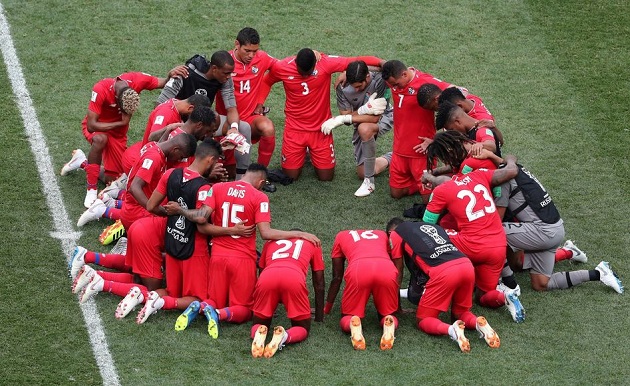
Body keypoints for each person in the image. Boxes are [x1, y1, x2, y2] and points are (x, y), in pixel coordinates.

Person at [167, 163, 320, 338]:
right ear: (261, 181)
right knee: (247, 309)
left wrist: (181, 210)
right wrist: (299, 233)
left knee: (214, 301)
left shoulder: (217, 188)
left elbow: (202, 224)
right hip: (242, 260)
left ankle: (201, 307)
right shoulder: (259, 197)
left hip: (217, 257)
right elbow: (266, 233)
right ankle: (218, 315)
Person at [473, 150, 624, 295]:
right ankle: (598, 273)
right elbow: (509, 158)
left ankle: (506, 284)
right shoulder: (514, 168)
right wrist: (492, 155)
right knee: (541, 284)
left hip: (542, 231)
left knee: (491, 233)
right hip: (555, 229)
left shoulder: (503, 181)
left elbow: (496, 220)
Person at [60, 66, 188, 208]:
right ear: (116, 99)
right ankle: (91, 188)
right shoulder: (101, 88)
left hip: (118, 135)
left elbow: (161, 82)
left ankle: (82, 162)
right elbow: (91, 125)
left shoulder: (137, 79)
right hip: (98, 128)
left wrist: (169, 76)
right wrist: (122, 122)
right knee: (100, 140)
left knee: (114, 179)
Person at [421, 154, 526, 323]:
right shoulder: (480, 175)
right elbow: (511, 170)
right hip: (498, 246)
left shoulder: (443, 190)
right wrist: (511, 158)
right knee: (483, 296)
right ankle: (504, 296)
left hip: (471, 245)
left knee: (431, 237)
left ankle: (423, 286)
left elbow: (427, 224)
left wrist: (430, 181)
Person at [257, 48, 385, 181]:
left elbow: (353, 60)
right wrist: (260, 102)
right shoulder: (282, 67)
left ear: (315, 64)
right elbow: (267, 81)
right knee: (291, 176)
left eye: (309, 73)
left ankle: (308, 152)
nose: (306, 76)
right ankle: (304, 153)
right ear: (296, 63)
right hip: (294, 129)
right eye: (302, 73)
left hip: (321, 129)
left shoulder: (324, 63)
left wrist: (382, 62)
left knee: (326, 177)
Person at [387, 219, 501, 353]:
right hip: (465, 265)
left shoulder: (396, 234)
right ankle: (478, 323)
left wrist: (396, 308)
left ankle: (452, 330)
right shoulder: (431, 226)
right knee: (461, 313)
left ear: (390, 232)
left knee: (423, 320)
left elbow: (398, 272)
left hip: (443, 271)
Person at [157, 51, 252, 180]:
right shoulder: (184, 73)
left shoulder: (224, 78)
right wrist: (177, 124)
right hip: (182, 125)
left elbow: (231, 109)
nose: (229, 77)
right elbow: (160, 105)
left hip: (203, 124)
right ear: (214, 69)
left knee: (244, 128)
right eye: (226, 73)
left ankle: (241, 181)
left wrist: (234, 128)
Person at [380, 60, 454, 201]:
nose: (394, 87)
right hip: (399, 151)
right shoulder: (393, 78)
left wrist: (436, 139)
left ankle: (443, 180)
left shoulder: (425, 82)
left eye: (396, 84)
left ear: (404, 74)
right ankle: (420, 181)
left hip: (421, 152)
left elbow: (455, 91)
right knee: (396, 194)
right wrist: (345, 74)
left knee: (428, 200)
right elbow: (377, 64)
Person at [321, 60, 393, 197]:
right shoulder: (342, 86)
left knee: (365, 129)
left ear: (367, 77)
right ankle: (394, 157)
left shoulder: (379, 81)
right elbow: (346, 116)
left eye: (359, 87)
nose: (356, 90)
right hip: (359, 121)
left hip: (384, 116)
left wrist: (344, 119)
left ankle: (369, 182)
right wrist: (361, 111)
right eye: (354, 87)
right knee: (362, 171)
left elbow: (374, 118)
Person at [325, 229, 402, 350]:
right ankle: (390, 321)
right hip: (386, 268)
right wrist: (398, 307)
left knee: (347, 316)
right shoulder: (381, 234)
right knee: (387, 314)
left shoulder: (340, 235)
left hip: (359, 269)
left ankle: (353, 323)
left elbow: (337, 277)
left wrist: (327, 308)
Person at [250, 235, 325, 358]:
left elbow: (261, 271)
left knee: (259, 323)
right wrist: (319, 316)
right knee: (302, 328)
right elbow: (319, 282)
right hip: (293, 277)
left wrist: (268, 305)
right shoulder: (312, 242)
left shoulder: (270, 242)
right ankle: (284, 336)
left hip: (267, 276)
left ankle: (257, 333)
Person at [215, 27, 278, 169]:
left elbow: (283, 67)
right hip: (227, 122)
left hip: (250, 118)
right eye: (247, 51)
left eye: (254, 51)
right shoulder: (224, 63)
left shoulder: (262, 58)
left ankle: (261, 172)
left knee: (268, 127)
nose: (251, 55)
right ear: (237, 44)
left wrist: (260, 101)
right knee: (229, 172)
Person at [434, 100, 499, 156]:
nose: (453, 133)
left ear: (457, 122)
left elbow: (492, 146)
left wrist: (480, 145)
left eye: (451, 129)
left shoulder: (481, 129)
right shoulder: (468, 133)